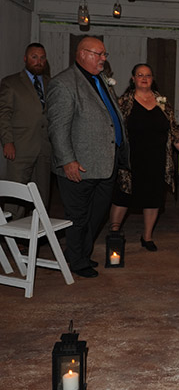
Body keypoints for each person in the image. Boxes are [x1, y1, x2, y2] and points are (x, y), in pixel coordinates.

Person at [46, 37, 128, 279]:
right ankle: (77, 260)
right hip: (79, 165)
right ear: (82, 54)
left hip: (105, 162)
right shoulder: (63, 83)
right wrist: (67, 160)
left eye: (104, 54)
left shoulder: (100, 79)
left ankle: (80, 252)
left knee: (96, 214)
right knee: (78, 216)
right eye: (98, 54)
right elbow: (57, 128)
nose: (103, 59)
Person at [108, 64, 179, 251]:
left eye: (148, 75)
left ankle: (147, 237)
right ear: (133, 79)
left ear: (152, 79)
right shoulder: (124, 102)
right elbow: (113, 130)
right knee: (123, 197)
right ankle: (114, 232)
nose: (144, 78)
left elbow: (174, 130)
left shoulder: (162, 102)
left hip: (157, 160)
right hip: (131, 161)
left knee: (154, 199)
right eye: (140, 75)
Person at [0, 43, 52, 218]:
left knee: (42, 196)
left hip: (44, 148)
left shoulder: (50, 83)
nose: (39, 61)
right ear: (25, 59)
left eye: (42, 58)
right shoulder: (11, 83)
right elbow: (3, 114)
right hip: (20, 148)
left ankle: (38, 229)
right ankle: (11, 231)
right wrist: (7, 142)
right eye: (34, 57)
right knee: (16, 196)